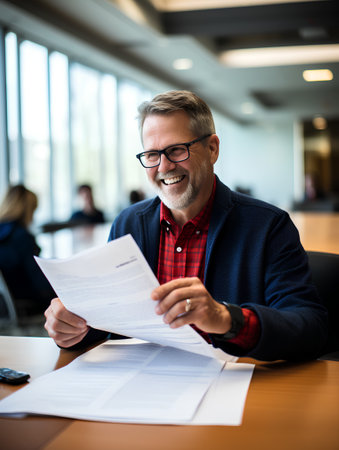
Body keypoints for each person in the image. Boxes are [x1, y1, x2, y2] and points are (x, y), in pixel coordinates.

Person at [44, 90, 328, 361]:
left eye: (177, 150)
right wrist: (72, 328)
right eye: (152, 155)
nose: (164, 167)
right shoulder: (129, 223)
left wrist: (225, 318)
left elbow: (311, 328)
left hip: (233, 387)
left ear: (212, 149)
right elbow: (109, 317)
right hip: (141, 387)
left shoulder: (268, 227)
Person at [0, 185, 55, 312]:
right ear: (27, 210)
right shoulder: (22, 237)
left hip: (6, 304)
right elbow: (40, 283)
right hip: (25, 301)